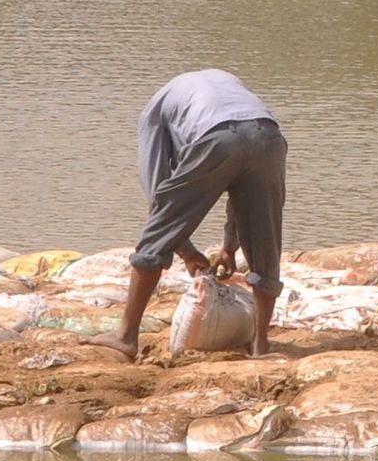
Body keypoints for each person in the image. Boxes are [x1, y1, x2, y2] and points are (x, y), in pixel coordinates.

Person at [121, 69, 286, 359]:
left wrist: (184, 251)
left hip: (215, 136)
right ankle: (260, 345)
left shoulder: (153, 112)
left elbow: (158, 192)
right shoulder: (227, 83)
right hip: (268, 135)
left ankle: (125, 337)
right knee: (265, 239)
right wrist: (229, 247)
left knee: (155, 237)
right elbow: (241, 187)